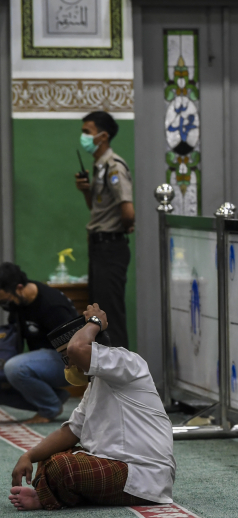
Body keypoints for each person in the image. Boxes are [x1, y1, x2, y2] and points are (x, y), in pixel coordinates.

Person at [9, 304, 176, 511]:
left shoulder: (128, 363)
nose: (67, 365)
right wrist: (29, 456)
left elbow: (76, 349)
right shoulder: (95, 385)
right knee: (51, 457)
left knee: (63, 468)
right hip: (112, 467)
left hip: (141, 475)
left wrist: (95, 322)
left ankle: (45, 496)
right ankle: (50, 492)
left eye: (66, 359)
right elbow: (70, 432)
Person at [75, 111, 134, 349]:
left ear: (103, 136)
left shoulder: (113, 166)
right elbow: (98, 208)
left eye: (87, 132)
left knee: (110, 316)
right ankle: (105, 378)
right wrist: (86, 191)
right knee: (98, 314)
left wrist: (124, 225)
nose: (83, 137)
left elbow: (128, 211)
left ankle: (123, 380)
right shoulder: (99, 168)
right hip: (100, 247)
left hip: (111, 246)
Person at [0, 263, 77, 424]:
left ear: (19, 288)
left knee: (14, 367)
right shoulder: (18, 302)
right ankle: (55, 397)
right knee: (8, 368)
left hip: (68, 362)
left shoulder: (52, 305)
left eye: (7, 298)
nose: (6, 304)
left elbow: (75, 348)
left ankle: (49, 408)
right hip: (41, 361)